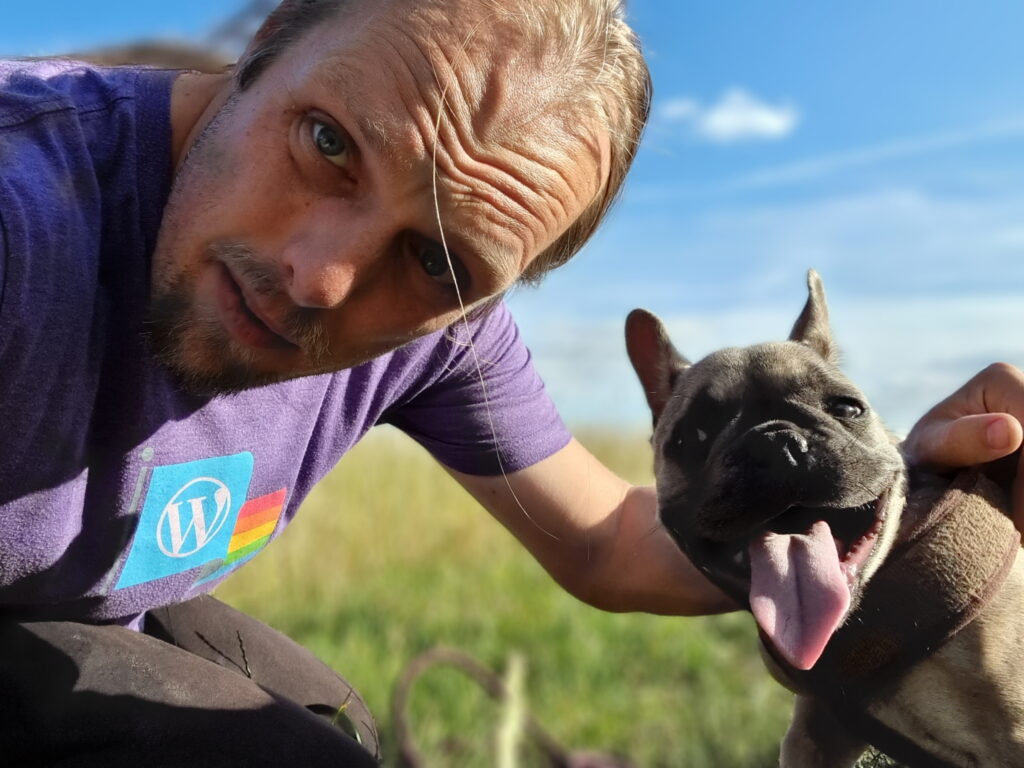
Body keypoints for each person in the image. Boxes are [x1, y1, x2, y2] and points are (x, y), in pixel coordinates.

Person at [0, 0, 1020, 764]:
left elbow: (608, 539)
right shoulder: (26, 221)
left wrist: (894, 505)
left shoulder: (438, 328)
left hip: (79, 604)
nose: (320, 275)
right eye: (328, 144)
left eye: (438, 261)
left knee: (327, 722)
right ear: (267, 40)